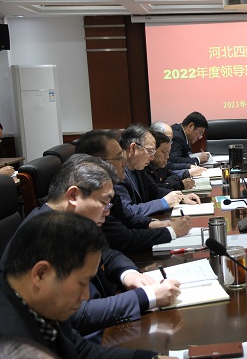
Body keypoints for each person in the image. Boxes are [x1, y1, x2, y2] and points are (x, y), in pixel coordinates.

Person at [0, 154, 182, 342]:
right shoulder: (42, 237)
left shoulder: (70, 223)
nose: (108, 212)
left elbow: (108, 254)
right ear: (73, 195)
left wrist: (129, 274)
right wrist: (147, 296)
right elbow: (74, 315)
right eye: (104, 202)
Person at [0, 209, 169, 358]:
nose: (86, 295)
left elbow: (79, 351)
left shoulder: (43, 300)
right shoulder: (11, 345)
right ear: (41, 274)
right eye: (82, 283)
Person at [76, 130, 191, 253]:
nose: (123, 161)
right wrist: (171, 231)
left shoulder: (128, 174)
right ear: (98, 163)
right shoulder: (92, 196)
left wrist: (151, 223)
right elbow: (124, 239)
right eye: (119, 157)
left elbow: (127, 216)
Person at [115, 123, 199, 217]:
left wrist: (180, 197)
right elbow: (128, 211)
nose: (152, 157)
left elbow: (153, 190)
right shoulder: (117, 174)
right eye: (150, 151)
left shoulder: (137, 167)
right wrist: (163, 203)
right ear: (133, 148)